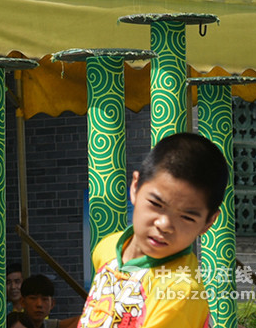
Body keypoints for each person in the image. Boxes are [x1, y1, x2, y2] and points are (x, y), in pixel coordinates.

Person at [79, 131, 228, 328]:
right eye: (156, 204)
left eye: (186, 217)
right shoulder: (107, 249)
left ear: (208, 223)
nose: (164, 224)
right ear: (135, 187)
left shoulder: (179, 292)